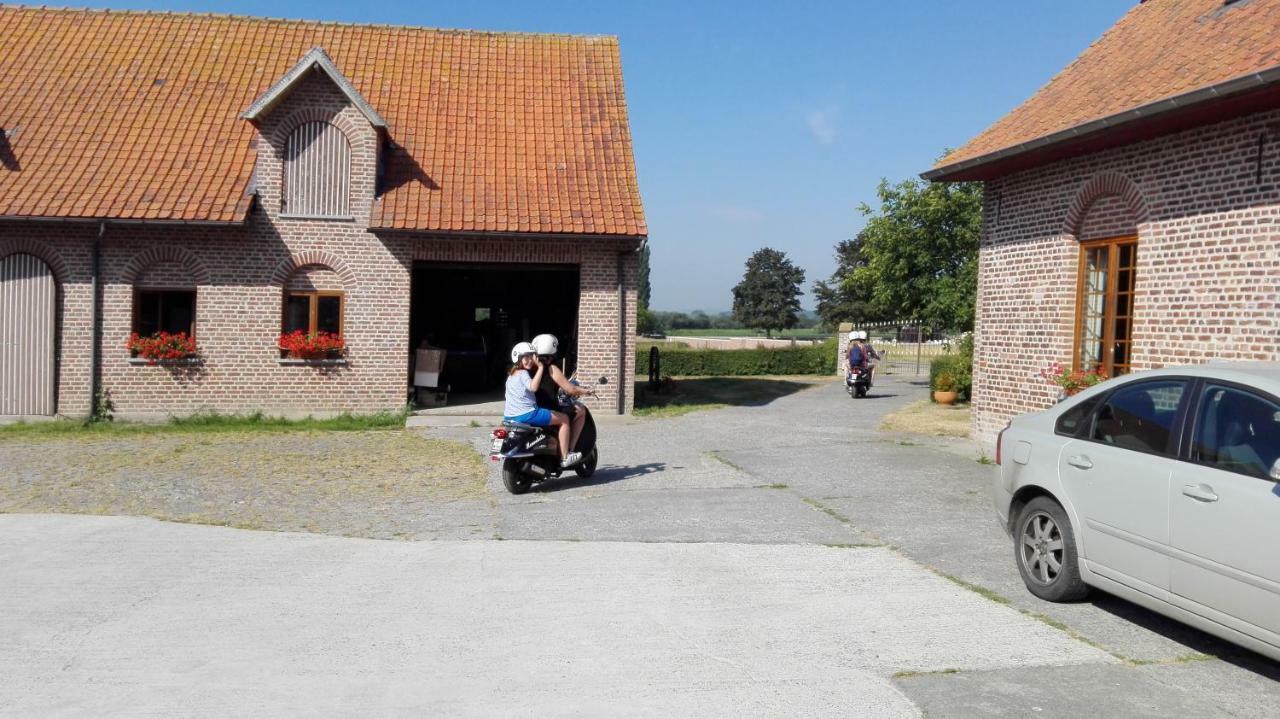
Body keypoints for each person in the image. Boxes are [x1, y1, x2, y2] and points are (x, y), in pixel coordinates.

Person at [503, 341, 580, 467]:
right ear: (518, 359)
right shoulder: (523, 373)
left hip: (509, 417)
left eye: (532, 357)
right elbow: (533, 387)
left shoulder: (510, 376)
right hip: (527, 414)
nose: (530, 360)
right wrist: (540, 368)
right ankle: (565, 457)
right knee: (564, 419)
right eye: (526, 357)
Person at [530, 333, 593, 454]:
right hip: (548, 410)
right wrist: (586, 391)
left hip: (531, 409)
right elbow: (571, 389)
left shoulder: (529, 366)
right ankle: (569, 450)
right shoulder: (551, 368)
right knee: (581, 410)